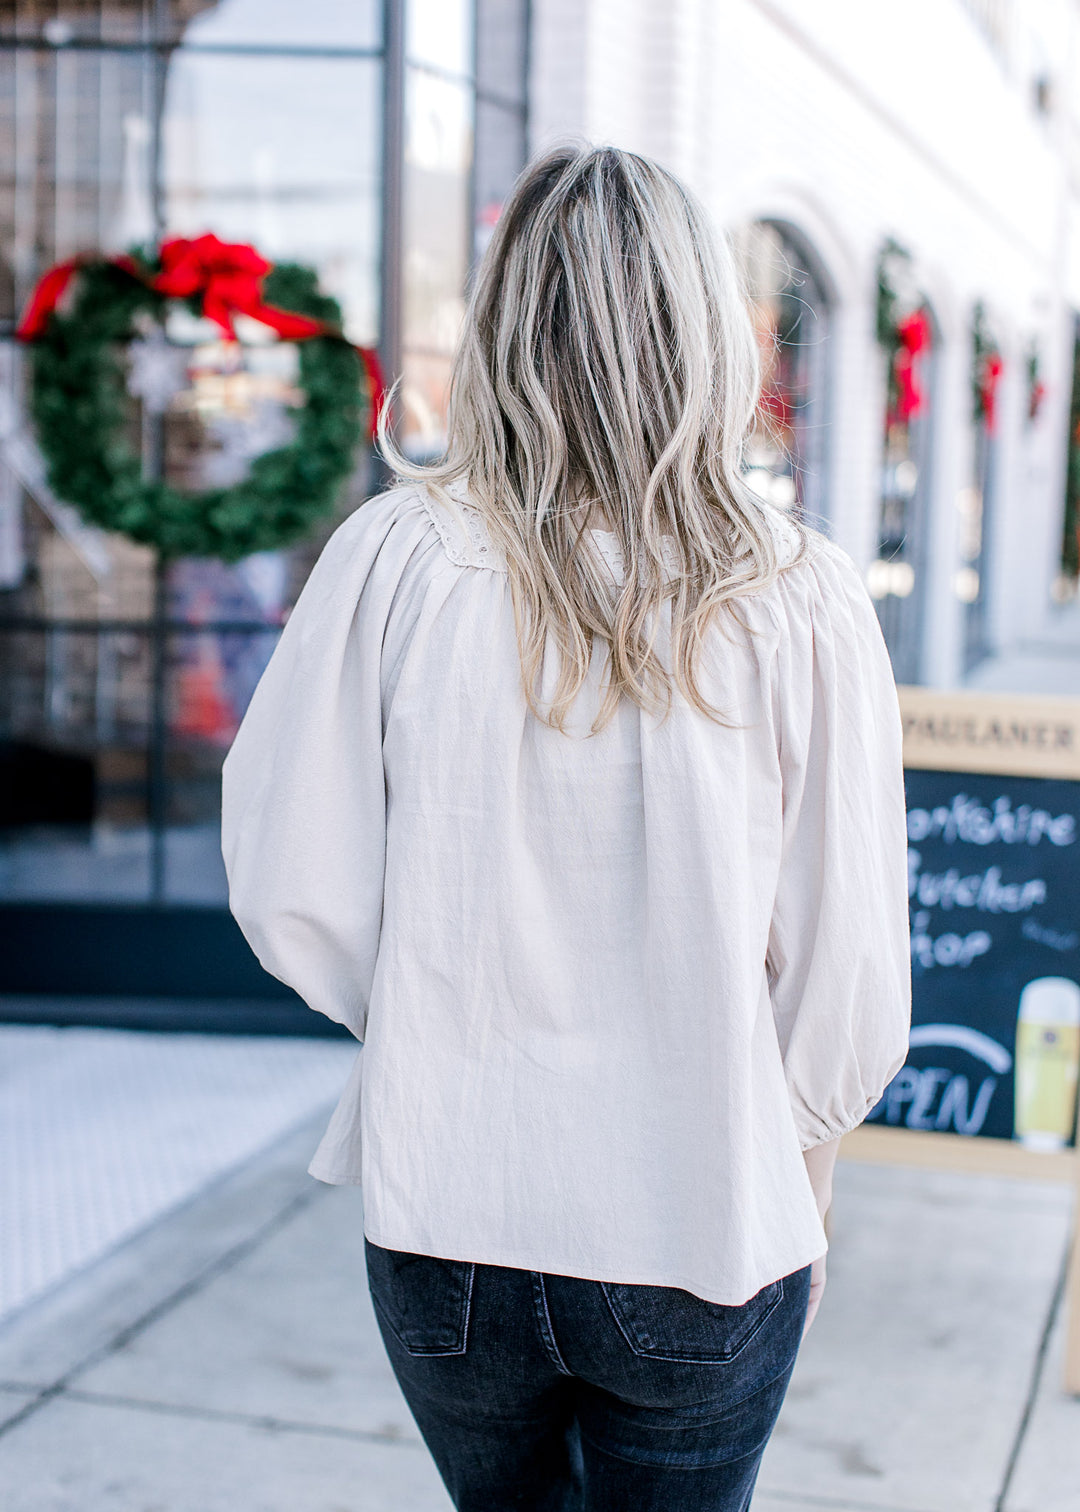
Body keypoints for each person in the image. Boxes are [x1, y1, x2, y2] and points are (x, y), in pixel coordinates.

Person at [221, 144, 911, 1512]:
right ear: (705, 331)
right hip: (703, 1214)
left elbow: (291, 879)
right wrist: (805, 1181)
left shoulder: (394, 558)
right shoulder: (798, 594)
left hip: (446, 1222)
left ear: (501, 325)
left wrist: (431, 1020)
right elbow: (845, 967)